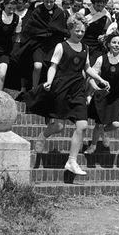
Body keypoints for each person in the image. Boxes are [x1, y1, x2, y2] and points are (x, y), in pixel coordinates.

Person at [31, 14, 110, 175]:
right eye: (77, 30)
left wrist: (100, 79)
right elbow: (53, 66)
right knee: (59, 126)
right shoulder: (61, 46)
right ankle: (42, 135)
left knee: (82, 125)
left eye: (82, 31)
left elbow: (87, 68)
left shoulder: (85, 48)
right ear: (70, 29)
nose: (80, 34)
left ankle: (72, 161)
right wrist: (49, 81)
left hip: (78, 90)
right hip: (61, 88)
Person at [85, 32, 119, 155]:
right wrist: (96, 88)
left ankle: (104, 132)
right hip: (104, 95)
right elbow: (91, 78)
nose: (116, 45)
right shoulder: (101, 59)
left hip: (118, 96)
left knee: (116, 124)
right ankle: (93, 145)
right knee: (99, 123)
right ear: (108, 44)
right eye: (114, 42)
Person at [22, 0, 68, 88]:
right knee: (37, 66)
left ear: (54, 0)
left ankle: (49, 87)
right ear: (43, 0)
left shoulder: (59, 12)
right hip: (38, 44)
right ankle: (34, 89)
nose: (49, 4)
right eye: (46, 1)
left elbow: (61, 29)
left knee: (52, 67)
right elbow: (29, 28)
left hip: (53, 45)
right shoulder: (37, 10)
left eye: (51, 2)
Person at [83, 0, 111, 65]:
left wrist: (103, 36)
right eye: (98, 5)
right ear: (93, 3)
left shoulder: (106, 16)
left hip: (96, 48)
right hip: (83, 45)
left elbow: (106, 32)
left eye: (103, 5)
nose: (101, 8)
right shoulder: (83, 12)